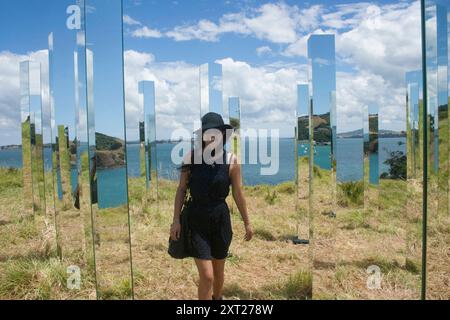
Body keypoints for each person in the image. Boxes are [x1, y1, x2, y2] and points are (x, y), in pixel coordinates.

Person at [170, 112, 253, 300]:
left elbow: (238, 194)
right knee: (207, 276)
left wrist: (247, 222)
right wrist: (175, 220)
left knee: (218, 273)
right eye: (208, 133)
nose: (212, 137)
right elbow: (181, 190)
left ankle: (217, 298)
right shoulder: (190, 159)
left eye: (216, 133)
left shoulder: (232, 161)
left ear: (223, 135)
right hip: (196, 219)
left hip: (220, 219)